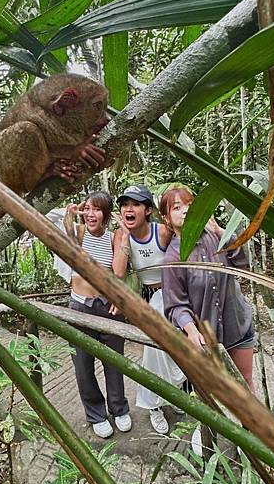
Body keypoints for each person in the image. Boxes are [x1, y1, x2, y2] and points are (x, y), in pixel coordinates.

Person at [161, 185, 255, 390]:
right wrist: (191, 331)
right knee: (216, 395)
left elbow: (244, 265)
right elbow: (176, 306)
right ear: (166, 218)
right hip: (207, 340)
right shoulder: (173, 259)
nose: (185, 210)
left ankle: (251, 424)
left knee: (245, 386)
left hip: (238, 326)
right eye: (176, 207)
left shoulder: (216, 237)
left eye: (190, 205)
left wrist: (222, 232)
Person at [113, 185, 186, 434]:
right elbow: (119, 272)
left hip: (176, 295)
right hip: (151, 299)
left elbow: (184, 249)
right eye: (124, 205)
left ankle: (173, 396)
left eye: (135, 204)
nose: (128, 209)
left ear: (148, 210)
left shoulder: (162, 232)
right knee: (153, 353)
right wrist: (124, 237)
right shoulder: (122, 236)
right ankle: (153, 405)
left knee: (176, 353)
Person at [60, 191, 132, 438]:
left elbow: (119, 273)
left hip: (108, 308)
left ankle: (119, 408)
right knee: (83, 365)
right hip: (80, 307)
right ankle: (96, 414)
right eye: (88, 208)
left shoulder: (113, 237)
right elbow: (66, 233)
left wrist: (124, 234)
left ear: (107, 214)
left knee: (114, 362)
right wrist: (71, 215)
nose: (91, 214)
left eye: (97, 209)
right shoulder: (78, 233)